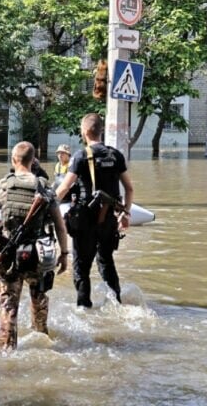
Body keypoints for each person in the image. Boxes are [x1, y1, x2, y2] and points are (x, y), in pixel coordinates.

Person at [0, 141, 69, 350]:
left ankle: (6, 353)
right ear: (33, 160)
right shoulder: (45, 187)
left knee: (8, 308)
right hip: (39, 256)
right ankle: (43, 345)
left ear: (13, 159)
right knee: (39, 303)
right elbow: (60, 227)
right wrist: (64, 254)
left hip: (8, 258)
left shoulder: (1, 186)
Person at [55, 113, 134, 308]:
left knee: (81, 267)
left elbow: (64, 188)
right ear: (101, 131)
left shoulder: (80, 156)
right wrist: (125, 214)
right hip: (108, 221)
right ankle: (116, 301)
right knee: (106, 261)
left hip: (85, 221)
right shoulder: (115, 155)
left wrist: (49, 206)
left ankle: (84, 308)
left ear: (84, 132)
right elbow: (130, 189)